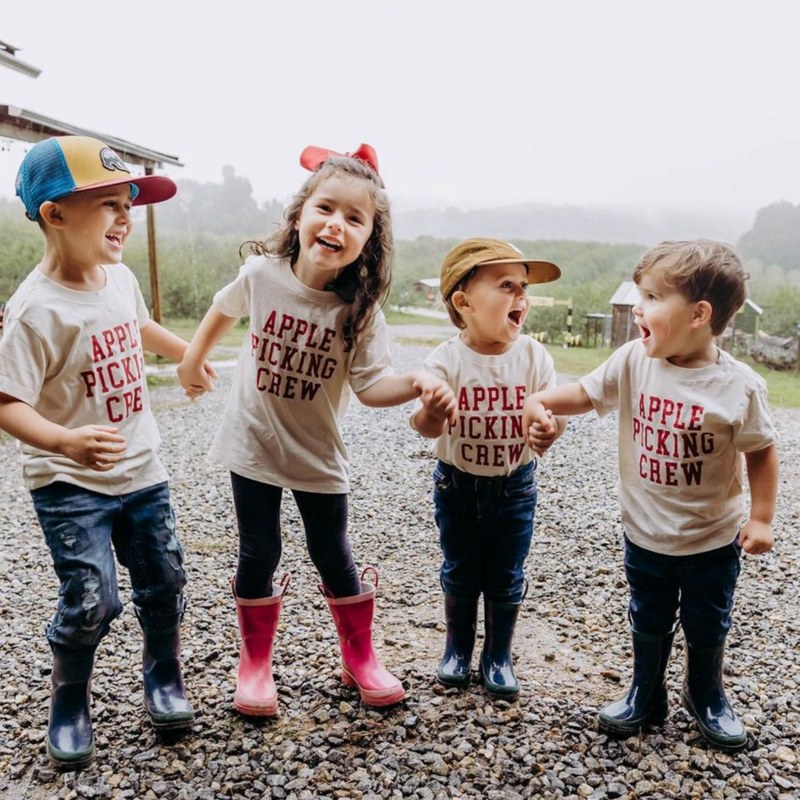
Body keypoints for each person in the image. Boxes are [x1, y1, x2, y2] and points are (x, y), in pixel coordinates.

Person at [178, 144, 456, 714]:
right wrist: (191, 359)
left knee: (332, 551)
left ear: (369, 240)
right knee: (259, 551)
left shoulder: (359, 311)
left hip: (317, 454)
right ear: (301, 214)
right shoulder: (262, 275)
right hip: (252, 442)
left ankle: (359, 657)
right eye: (326, 208)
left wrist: (419, 381)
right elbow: (223, 307)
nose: (337, 224)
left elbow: (372, 387)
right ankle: (255, 666)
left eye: (355, 218)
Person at [0, 136, 213, 770]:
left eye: (128, 204)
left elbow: (137, 327)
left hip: (142, 470)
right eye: (108, 204)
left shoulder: (118, 278)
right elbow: (8, 402)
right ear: (54, 214)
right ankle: (69, 699)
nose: (124, 217)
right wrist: (64, 439)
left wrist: (188, 355)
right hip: (69, 482)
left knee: (165, 578)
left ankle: (164, 674)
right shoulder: (35, 311)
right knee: (94, 595)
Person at [523, 240, 779, 749]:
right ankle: (647, 690)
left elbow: (761, 451)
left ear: (699, 314)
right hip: (644, 533)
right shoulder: (633, 360)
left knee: (709, 619)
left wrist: (763, 518)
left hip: (711, 538)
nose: (638, 307)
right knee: (648, 613)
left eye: (653, 297)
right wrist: (540, 400)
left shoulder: (738, 387)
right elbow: (584, 393)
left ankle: (705, 692)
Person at [410, 238, 565, 698]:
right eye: (506, 286)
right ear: (464, 302)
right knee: (460, 567)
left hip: (515, 487)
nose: (521, 296)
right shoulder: (446, 360)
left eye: (523, 287)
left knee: (506, 571)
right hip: (456, 485)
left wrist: (547, 431)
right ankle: (457, 647)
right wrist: (434, 412)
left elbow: (553, 417)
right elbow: (422, 425)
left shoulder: (535, 357)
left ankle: (498, 653)